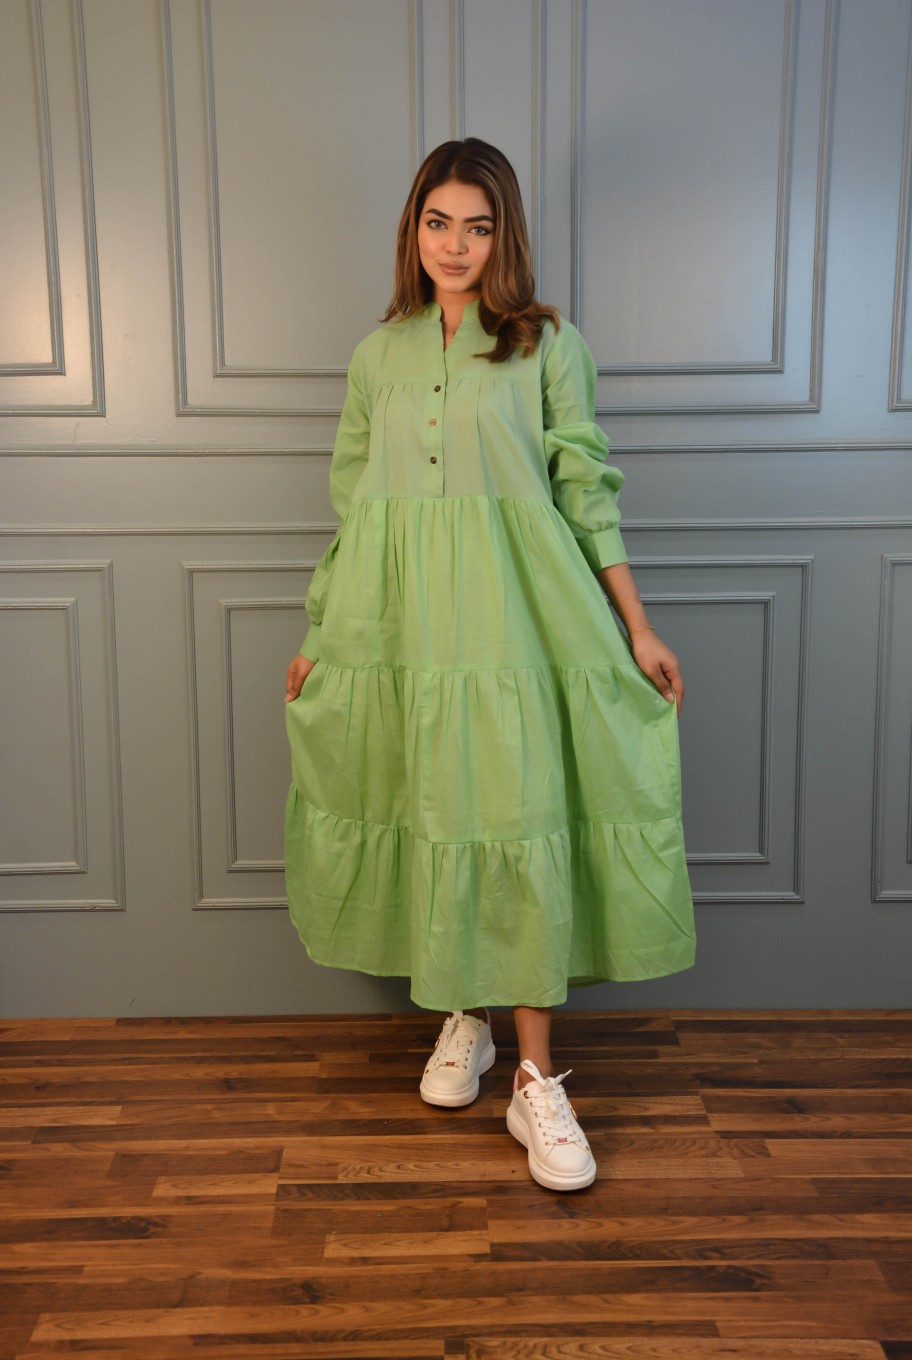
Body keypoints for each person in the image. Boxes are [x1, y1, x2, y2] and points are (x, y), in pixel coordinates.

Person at [284, 138, 696, 1193]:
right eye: (438, 222)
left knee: (515, 815)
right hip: (402, 626)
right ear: (413, 228)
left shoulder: (546, 345)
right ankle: (464, 1017)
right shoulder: (378, 356)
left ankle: (536, 1080)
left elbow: (585, 489)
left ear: (502, 234)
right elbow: (356, 509)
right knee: (432, 802)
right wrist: (322, 633)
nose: (456, 245)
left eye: (478, 225)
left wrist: (637, 626)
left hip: (521, 620)